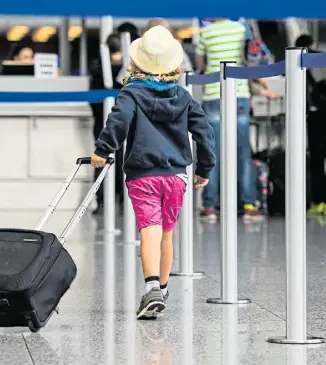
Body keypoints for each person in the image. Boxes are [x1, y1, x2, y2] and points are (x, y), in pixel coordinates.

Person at [90, 25, 216, 319]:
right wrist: (204, 168)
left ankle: (150, 288)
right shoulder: (184, 97)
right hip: (175, 176)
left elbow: (117, 123)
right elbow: (205, 133)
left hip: (143, 174)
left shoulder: (130, 94)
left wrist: (102, 150)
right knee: (167, 233)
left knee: (149, 230)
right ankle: (162, 285)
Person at [195, 18, 263, 222]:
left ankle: (209, 207)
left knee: (212, 153)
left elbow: (200, 64)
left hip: (213, 95)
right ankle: (249, 204)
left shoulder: (205, 33)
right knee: (243, 152)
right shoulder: (242, 29)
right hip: (239, 93)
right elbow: (251, 58)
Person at [296, 34, 326, 218]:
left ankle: (317, 201)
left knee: (316, 158)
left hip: (313, 115)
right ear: (313, 44)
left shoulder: (299, 62)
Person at [89, 33, 125, 214]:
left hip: (102, 122)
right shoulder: (129, 68)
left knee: (101, 159)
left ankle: (102, 200)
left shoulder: (97, 68)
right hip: (124, 123)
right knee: (125, 159)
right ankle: (124, 200)